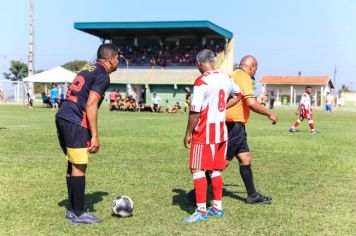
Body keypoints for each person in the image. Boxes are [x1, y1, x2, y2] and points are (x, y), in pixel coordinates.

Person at [55, 43, 119, 224]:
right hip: (75, 120)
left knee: (72, 164)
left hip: (62, 116)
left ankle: (72, 209)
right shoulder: (103, 75)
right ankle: (78, 213)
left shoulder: (88, 68)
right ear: (111, 59)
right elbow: (91, 104)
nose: (118, 62)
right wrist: (95, 135)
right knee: (79, 166)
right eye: (118, 59)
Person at [183, 49, 242, 223]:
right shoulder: (226, 78)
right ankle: (217, 207)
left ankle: (201, 210)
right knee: (215, 169)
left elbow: (194, 111)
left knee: (197, 168)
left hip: (204, 132)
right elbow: (238, 95)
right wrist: (222, 106)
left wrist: (188, 133)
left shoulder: (202, 81)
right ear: (213, 62)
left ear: (199, 63)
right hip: (221, 132)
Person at [225, 55, 278, 204]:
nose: (255, 72)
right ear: (251, 67)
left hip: (236, 125)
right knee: (223, 162)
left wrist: (256, 99)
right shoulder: (244, 76)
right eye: (256, 69)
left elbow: (245, 98)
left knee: (245, 158)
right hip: (233, 125)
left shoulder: (235, 74)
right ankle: (197, 193)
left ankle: (252, 196)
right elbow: (250, 103)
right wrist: (270, 113)